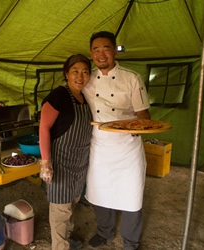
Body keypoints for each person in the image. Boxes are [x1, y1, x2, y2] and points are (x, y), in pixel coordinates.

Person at [82, 31, 151, 250]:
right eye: (96, 49)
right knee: (99, 192)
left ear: (114, 50)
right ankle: (105, 232)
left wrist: (136, 129)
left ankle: (131, 242)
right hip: (99, 147)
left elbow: (144, 115)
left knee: (132, 195)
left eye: (106, 48)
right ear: (91, 53)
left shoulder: (131, 78)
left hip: (127, 148)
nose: (101, 54)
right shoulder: (87, 79)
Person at [39, 54, 93, 250]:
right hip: (61, 164)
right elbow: (43, 127)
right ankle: (60, 246)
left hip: (79, 164)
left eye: (85, 72)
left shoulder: (85, 97)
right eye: (75, 72)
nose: (80, 77)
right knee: (60, 211)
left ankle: (67, 239)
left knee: (71, 205)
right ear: (66, 74)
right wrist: (45, 162)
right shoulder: (58, 97)